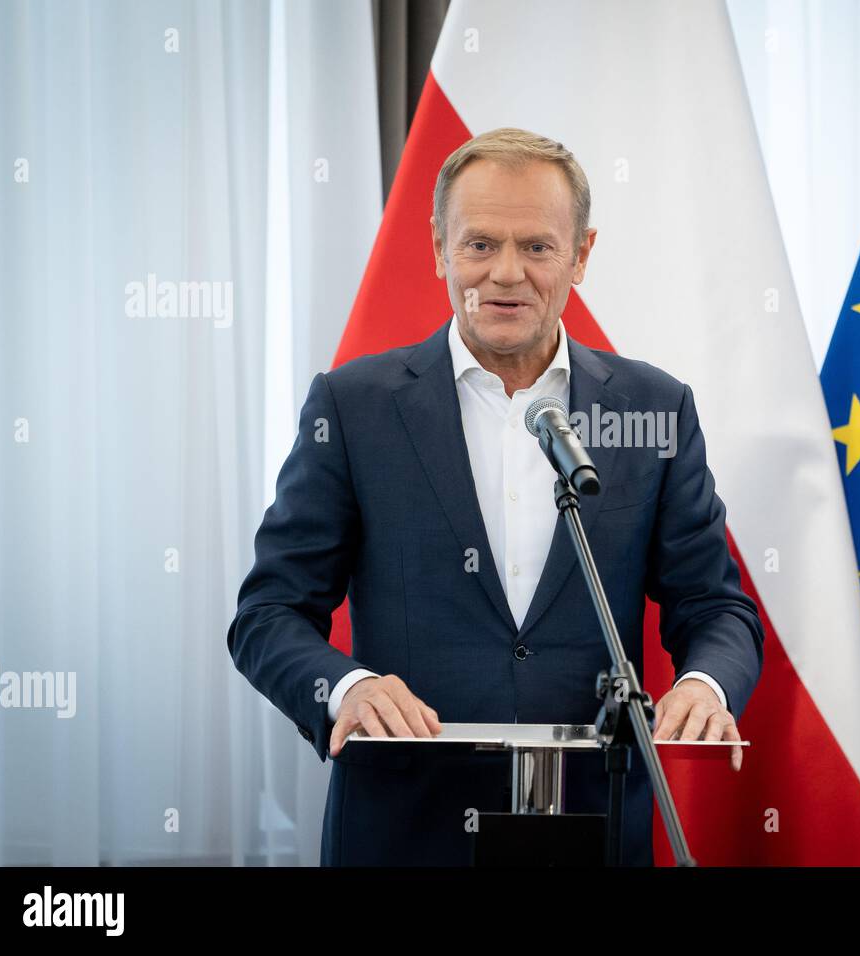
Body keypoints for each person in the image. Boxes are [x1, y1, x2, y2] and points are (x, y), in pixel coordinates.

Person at [227, 128, 764, 865]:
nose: (505, 273)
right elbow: (268, 613)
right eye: (479, 244)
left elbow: (716, 607)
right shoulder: (353, 407)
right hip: (404, 832)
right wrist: (345, 688)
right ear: (439, 248)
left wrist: (705, 685)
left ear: (581, 255)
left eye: (538, 247)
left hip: (593, 826)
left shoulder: (654, 409)